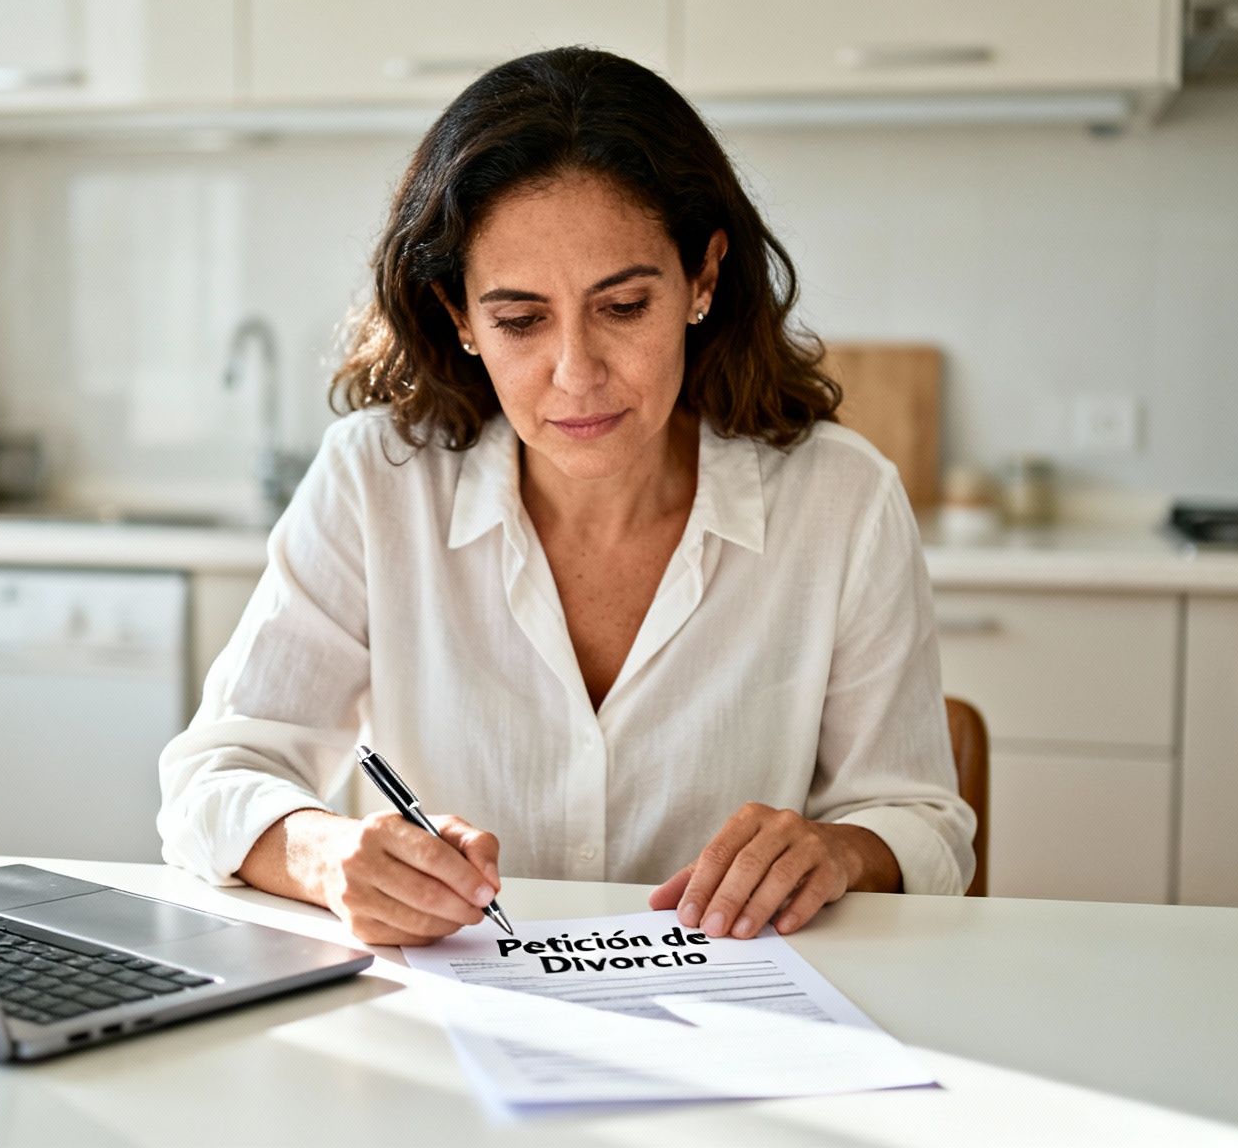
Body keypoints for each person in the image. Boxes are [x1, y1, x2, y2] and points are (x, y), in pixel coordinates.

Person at [158, 47, 974, 947]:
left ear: (702, 278)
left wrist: (842, 849)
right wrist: (322, 853)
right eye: (519, 320)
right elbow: (213, 778)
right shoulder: (375, 481)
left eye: (623, 308)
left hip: (749, 1030)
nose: (576, 375)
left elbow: (923, 823)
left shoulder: (841, 498)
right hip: (458, 1031)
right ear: (460, 316)